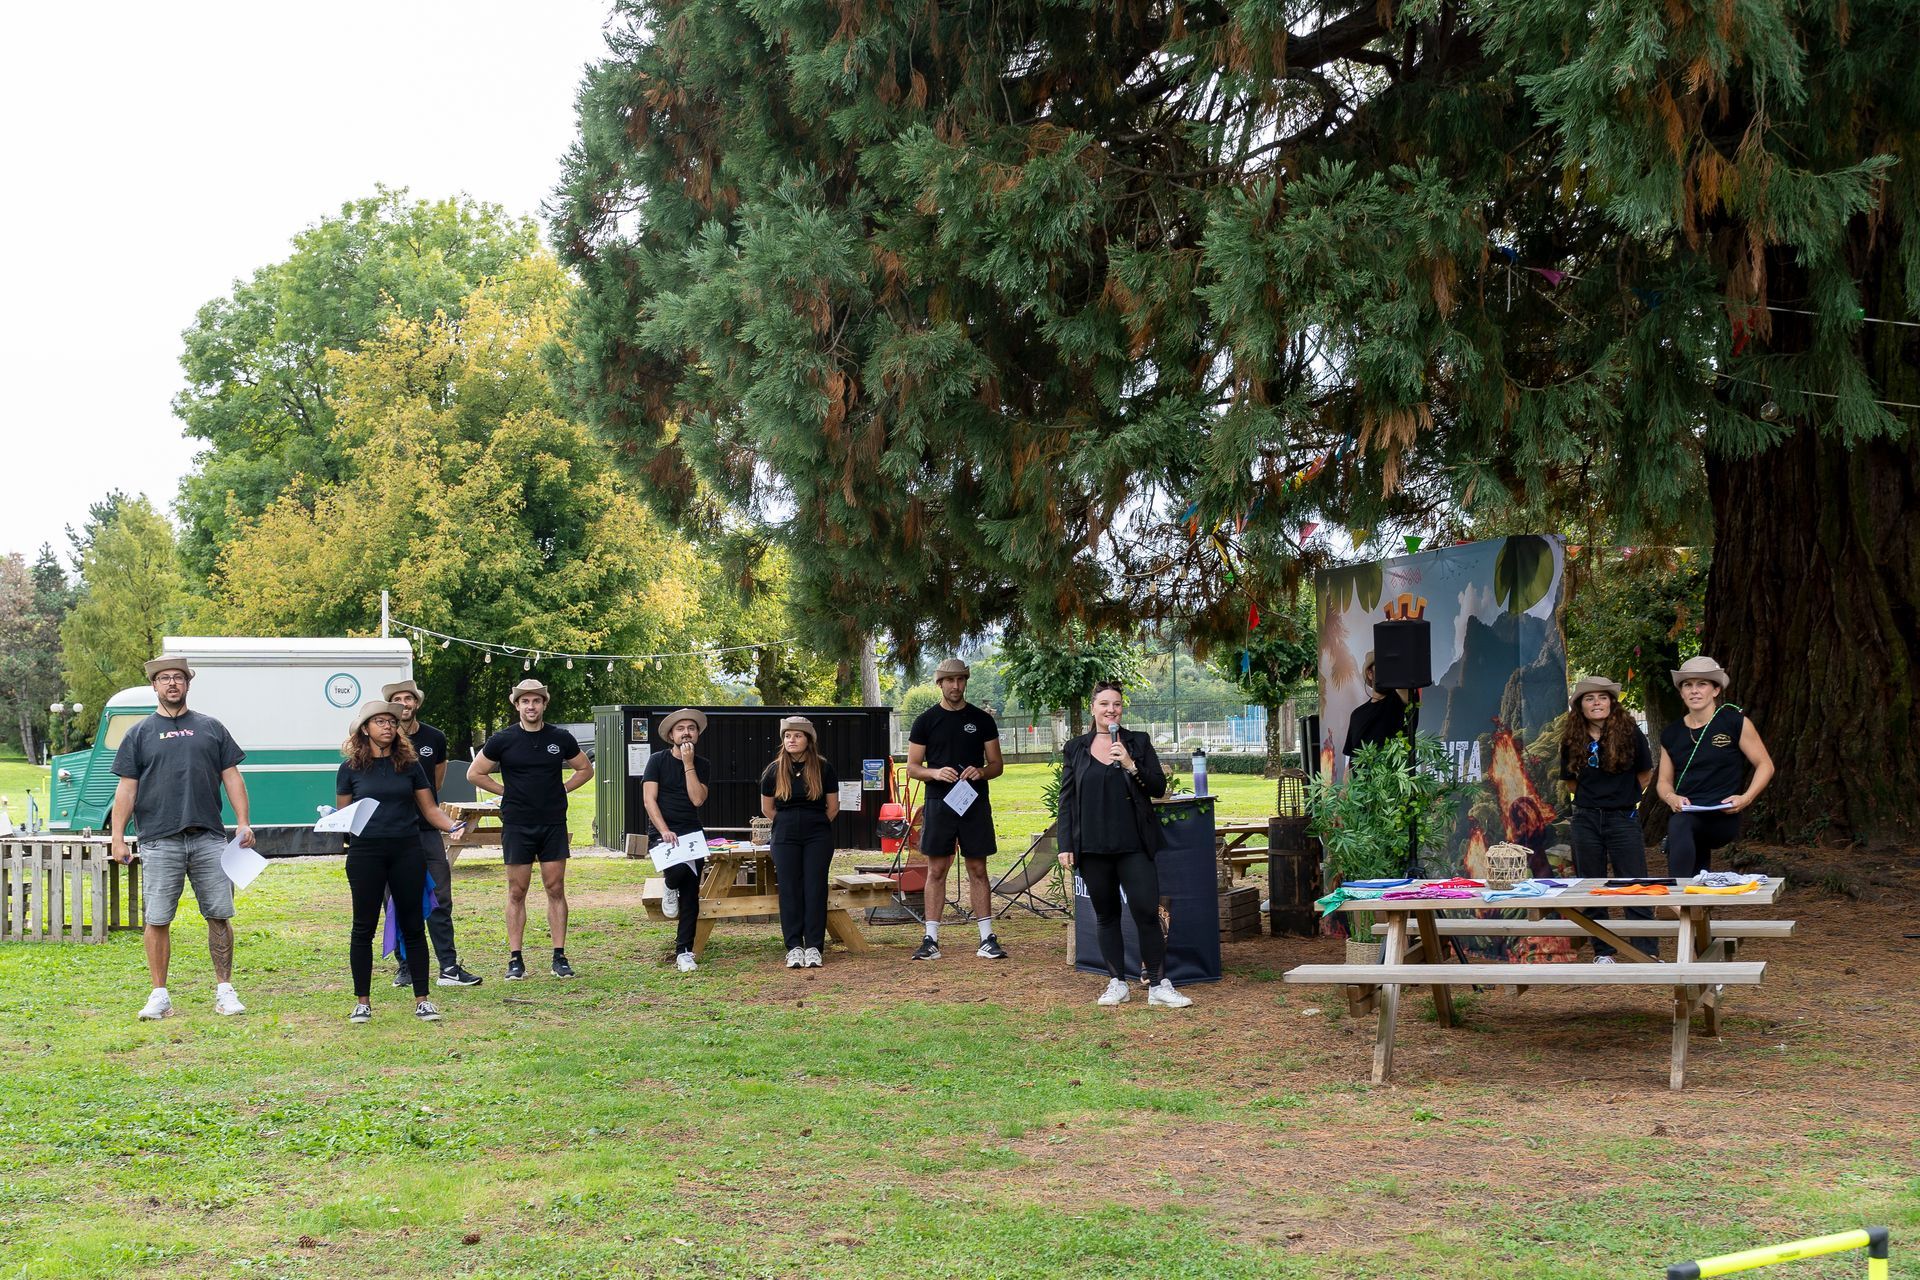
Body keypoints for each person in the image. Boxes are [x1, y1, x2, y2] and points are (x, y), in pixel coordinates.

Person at [109, 654, 254, 1022]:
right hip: (158, 840)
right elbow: (126, 790)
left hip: (208, 838)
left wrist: (242, 822)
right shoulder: (139, 733)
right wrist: (118, 837)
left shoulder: (211, 728)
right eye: (164, 679)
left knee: (219, 915)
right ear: (155, 687)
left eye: (178, 678)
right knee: (157, 919)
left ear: (188, 684)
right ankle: (159, 995)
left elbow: (232, 777)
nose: (172, 683)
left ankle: (224, 991)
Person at [1055, 681, 1192, 1009]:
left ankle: (1158, 985)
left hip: (1133, 844)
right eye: (1104, 704)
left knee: (1146, 912)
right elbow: (1067, 801)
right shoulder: (1076, 748)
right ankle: (1117, 983)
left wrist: (1131, 764)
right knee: (1106, 915)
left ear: (1121, 709)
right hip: (1092, 847)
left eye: (1116, 704)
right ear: (1093, 708)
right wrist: (1065, 844)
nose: (1110, 709)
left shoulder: (1137, 742)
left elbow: (1158, 787)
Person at [336, 701, 465, 1023]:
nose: (387, 727)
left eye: (391, 722)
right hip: (366, 854)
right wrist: (332, 822)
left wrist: (454, 826)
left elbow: (430, 809)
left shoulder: (409, 765)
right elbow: (344, 817)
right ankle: (362, 1002)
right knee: (362, 927)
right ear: (365, 729)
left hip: (407, 850)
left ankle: (422, 999)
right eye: (380, 721)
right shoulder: (350, 769)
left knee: (413, 926)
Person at [467, 679, 594, 979]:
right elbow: (475, 773)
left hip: (552, 823)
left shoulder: (560, 737)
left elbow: (585, 769)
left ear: (544, 704)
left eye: (536, 701)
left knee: (555, 888)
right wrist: (504, 791)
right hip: (517, 824)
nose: (531, 706)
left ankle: (559, 956)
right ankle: (515, 959)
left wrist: (563, 789)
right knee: (516, 891)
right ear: (517, 705)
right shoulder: (503, 739)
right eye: (525, 701)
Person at [905, 657, 1008, 961]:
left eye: (961, 680)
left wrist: (981, 771)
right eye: (949, 681)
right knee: (937, 869)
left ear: (966, 682)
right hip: (939, 803)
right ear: (940, 684)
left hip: (974, 802)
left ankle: (987, 937)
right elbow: (911, 767)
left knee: (978, 868)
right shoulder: (925, 721)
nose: (955, 685)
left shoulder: (982, 719)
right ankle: (930, 939)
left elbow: (997, 765)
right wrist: (935, 773)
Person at [382, 679, 483, 988]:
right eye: (397, 699)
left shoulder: (434, 738)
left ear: (417, 703)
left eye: (408, 698)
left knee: (439, 896)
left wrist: (438, 818)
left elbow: (434, 785)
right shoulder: (380, 740)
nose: (404, 704)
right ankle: (406, 966)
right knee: (395, 900)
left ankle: (449, 967)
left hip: (426, 829)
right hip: (390, 833)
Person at [1558, 676, 1657, 961]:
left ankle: (1645, 951)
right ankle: (1604, 951)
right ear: (1581, 706)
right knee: (1591, 885)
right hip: (1586, 820)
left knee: (1635, 883)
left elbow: (1645, 774)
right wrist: (1595, 801)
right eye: (1589, 698)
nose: (1596, 702)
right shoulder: (1572, 738)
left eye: (1602, 697)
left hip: (1623, 818)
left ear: (1611, 703)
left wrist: (1620, 797)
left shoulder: (1630, 733)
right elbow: (1571, 782)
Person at [1655, 656, 1776, 878]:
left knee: (1681, 825)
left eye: (1702, 684)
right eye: (1687, 685)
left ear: (1716, 690)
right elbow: (1663, 782)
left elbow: (1765, 765)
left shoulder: (1734, 722)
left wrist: (1745, 798)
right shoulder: (1671, 733)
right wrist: (1671, 798)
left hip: (1722, 816)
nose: (1694, 691)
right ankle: (1690, 906)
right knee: (1681, 823)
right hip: (1688, 813)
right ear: (1681, 692)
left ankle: (1677, 901)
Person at [759, 716, 839, 969]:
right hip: (785, 834)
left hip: (817, 832)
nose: (791, 740)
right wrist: (789, 824)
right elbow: (767, 809)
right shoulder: (773, 770)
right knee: (790, 888)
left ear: (808, 739)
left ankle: (814, 946)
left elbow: (833, 807)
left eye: (797, 735)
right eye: (787, 736)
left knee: (815, 887)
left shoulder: (824, 768)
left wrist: (813, 824)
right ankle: (794, 947)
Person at [643, 707, 712, 973]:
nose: (686, 733)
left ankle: (684, 950)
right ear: (671, 734)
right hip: (662, 831)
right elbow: (649, 799)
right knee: (677, 872)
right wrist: (663, 830)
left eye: (691, 729)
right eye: (681, 729)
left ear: (696, 735)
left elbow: (697, 799)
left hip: (691, 832)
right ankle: (669, 885)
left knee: (691, 893)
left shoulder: (701, 764)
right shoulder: (657, 761)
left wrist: (688, 764)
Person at [1343, 650, 1418, 759]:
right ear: (1370, 673)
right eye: (1382, 667)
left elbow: (1404, 689)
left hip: (1392, 775)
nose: (1386, 673)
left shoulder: (1401, 701)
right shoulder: (1357, 715)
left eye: (1389, 668)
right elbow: (1352, 761)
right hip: (1362, 776)